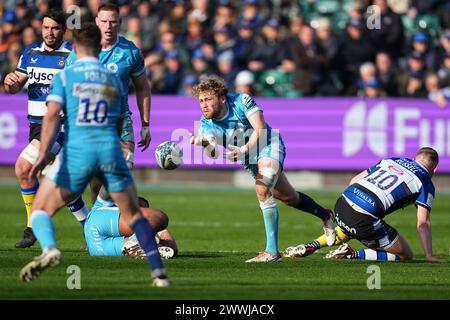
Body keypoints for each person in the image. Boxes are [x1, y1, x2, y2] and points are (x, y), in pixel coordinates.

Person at [19, 23, 170, 287]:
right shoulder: (112, 78)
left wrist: (43, 153)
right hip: (110, 151)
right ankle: (158, 273)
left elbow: (52, 114)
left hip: (79, 152)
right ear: (100, 48)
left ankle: (50, 248)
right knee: (133, 214)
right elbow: (118, 114)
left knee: (42, 208)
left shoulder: (67, 76)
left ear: (75, 48)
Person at [189, 75, 335, 263]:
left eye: (208, 99)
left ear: (222, 98)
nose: (204, 105)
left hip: (268, 144)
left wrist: (242, 150)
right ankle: (326, 215)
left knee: (262, 188)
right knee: (289, 197)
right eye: (201, 101)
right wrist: (204, 144)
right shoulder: (205, 124)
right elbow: (212, 154)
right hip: (250, 158)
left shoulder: (241, 100)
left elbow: (260, 128)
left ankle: (271, 252)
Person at [3, 9, 89, 249]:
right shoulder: (30, 54)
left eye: (55, 28)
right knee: (61, 184)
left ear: (63, 30)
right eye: (46, 28)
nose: (50, 33)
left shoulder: (73, 54)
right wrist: (10, 83)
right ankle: (90, 227)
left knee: (23, 166)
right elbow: (17, 83)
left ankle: (32, 228)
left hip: (60, 127)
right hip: (36, 126)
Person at [285, 147, 445, 263]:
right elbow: (423, 223)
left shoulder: (393, 160)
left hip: (342, 202)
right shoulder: (426, 183)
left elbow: (354, 180)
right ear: (435, 169)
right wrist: (429, 255)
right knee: (405, 255)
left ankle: (312, 245)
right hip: (365, 217)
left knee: (351, 225)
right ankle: (351, 253)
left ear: (415, 157)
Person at [66, 3, 152, 203]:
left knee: (122, 173)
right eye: (104, 21)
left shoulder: (130, 51)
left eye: (113, 21)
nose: (108, 26)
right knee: (96, 183)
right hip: (91, 125)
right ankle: (97, 225)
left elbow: (142, 88)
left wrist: (146, 124)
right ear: (96, 22)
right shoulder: (80, 49)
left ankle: (123, 221)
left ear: (120, 23)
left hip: (121, 121)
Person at [85, 188, 178, 260]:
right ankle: (137, 240)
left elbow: (170, 248)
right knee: (160, 217)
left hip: (97, 248)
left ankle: (139, 243)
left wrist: (157, 228)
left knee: (167, 249)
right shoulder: (108, 202)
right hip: (98, 221)